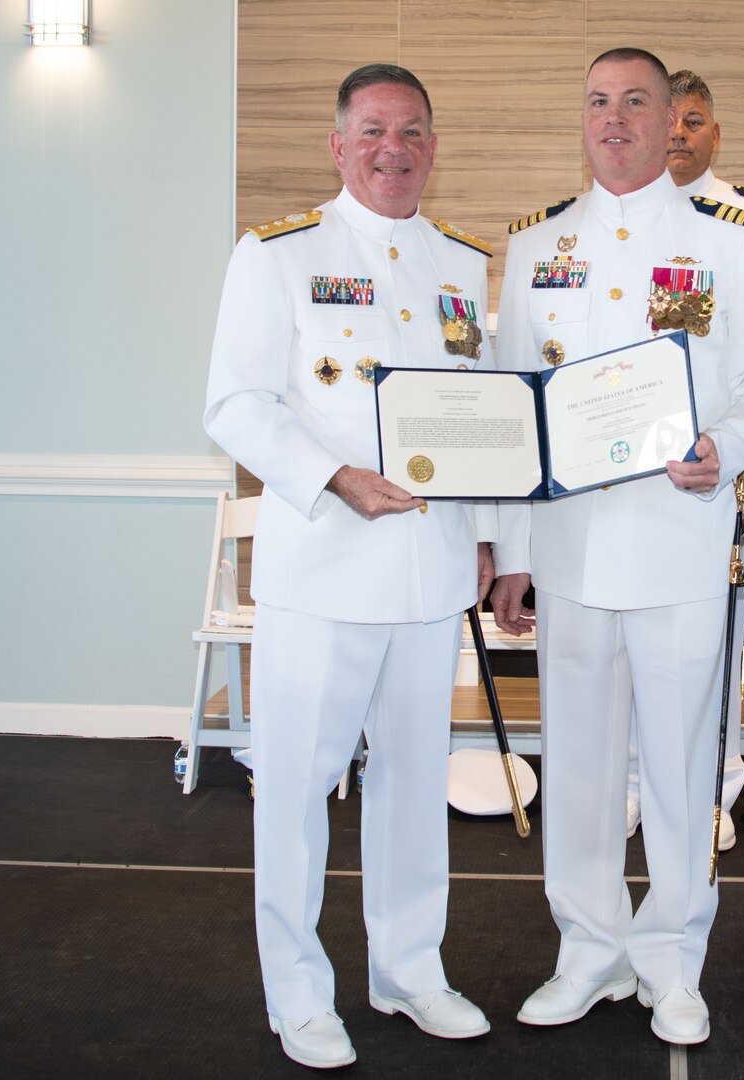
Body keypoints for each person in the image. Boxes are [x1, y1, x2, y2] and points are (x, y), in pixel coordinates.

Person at [489, 47, 744, 1046]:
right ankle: (587, 952)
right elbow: (506, 411)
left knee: (675, 765)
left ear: (672, 120)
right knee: (576, 768)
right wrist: (504, 550)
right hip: (570, 551)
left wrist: (730, 447)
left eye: (635, 102)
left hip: (678, 542)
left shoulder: (733, 237)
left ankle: (670, 961)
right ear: (578, 118)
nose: (613, 119)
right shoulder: (537, 247)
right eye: (596, 102)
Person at [204, 63, 497, 1069]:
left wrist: (493, 534)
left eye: (412, 130)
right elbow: (235, 405)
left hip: (430, 573)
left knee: (416, 786)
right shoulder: (278, 254)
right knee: (297, 788)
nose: (393, 149)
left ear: (431, 144)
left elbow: (481, 415)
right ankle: (297, 992)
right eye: (372, 130)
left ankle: (410, 970)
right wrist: (334, 477)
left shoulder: (461, 262)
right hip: (325, 570)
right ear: (338, 145)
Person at [620, 69, 744, 850]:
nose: (677, 136)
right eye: (670, 120)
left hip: (722, 467)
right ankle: (635, 785)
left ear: (713, 133)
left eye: (693, 122)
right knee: (632, 638)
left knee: (713, 638)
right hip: (632, 473)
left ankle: (711, 791)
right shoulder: (626, 218)